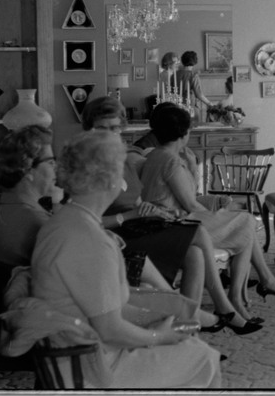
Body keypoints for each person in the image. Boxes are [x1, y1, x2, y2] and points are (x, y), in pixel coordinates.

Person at [29, 129, 221, 388]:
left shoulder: (64, 221)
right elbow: (110, 329)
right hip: (90, 367)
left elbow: (110, 308)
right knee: (204, 357)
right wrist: (159, 336)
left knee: (192, 345)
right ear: (109, 181)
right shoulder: (90, 239)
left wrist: (164, 317)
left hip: (72, 351)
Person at [82, 96, 255, 334]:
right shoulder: (86, 164)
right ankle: (223, 307)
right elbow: (84, 221)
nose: (109, 134)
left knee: (194, 254)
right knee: (197, 231)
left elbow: (137, 200)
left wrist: (153, 210)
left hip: (138, 226)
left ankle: (188, 330)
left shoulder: (122, 159)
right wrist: (128, 216)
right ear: (89, 129)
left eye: (114, 128)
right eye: (102, 128)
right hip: (114, 237)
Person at [141, 105, 275, 328]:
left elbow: (184, 198)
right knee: (246, 221)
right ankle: (247, 292)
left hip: (170, 219)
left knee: (242, 223)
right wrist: (217, 212)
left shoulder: (157, 156)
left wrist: (218, 210)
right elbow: (190, 203)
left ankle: (244, 295)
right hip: (174, 223)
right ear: (185, 133)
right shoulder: (170, 160)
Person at [0, 125, 61, 268]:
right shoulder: (38, 223)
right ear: (27, 171)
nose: (56, 168)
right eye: (50, 162)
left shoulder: (8, 202)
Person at [176, 51, 214, 118]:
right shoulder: (193, 76)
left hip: (176, 107)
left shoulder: (174, 74)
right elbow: (199, 95)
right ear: (194, 61)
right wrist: (210, 103)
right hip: (190, 108)